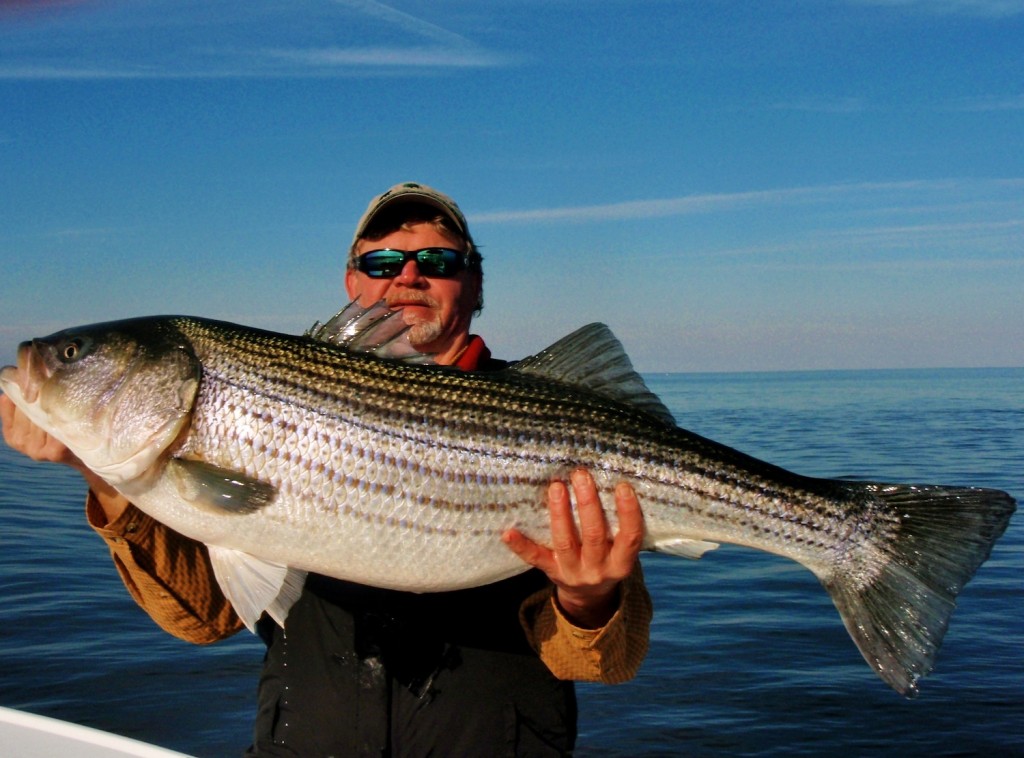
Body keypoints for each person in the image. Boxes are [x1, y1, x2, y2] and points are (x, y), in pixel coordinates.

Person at [1, 182, 653, 756]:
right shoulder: (208, 435)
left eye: (438, 261)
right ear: (352, 282)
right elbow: (202, 619)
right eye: (382, 261)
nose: (408, 276)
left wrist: (588, 596)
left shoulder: (559, 424)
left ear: (475, 283)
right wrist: (100, 472)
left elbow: (605, 662)